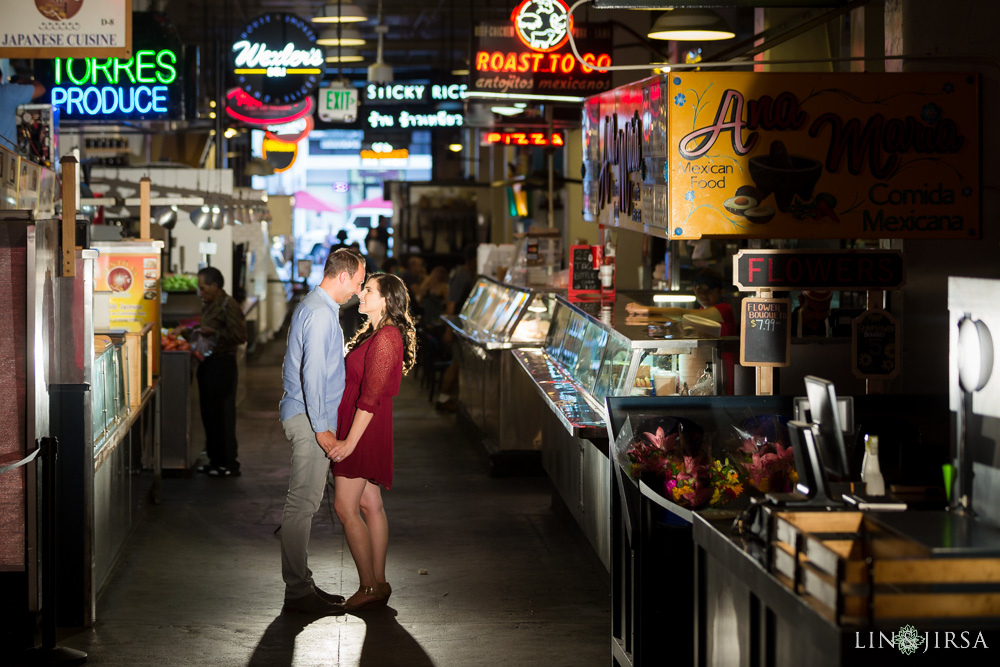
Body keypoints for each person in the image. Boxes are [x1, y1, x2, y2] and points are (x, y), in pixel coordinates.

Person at [278, 248, 366, 614]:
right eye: (358, 283)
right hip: (310, 419)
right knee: (302, 505)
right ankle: (298, 592)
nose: (359, 292)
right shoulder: (318, 313)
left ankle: (302, 584)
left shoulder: (322, 309)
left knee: (306, 504)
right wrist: (322, 428)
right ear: (342, 276)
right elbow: (312, 375)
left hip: (310, 416)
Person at [327, 272, 417, 612]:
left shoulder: (386, 337)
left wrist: (349, 443)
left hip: (362, 428)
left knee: (344, 507)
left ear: (386, 299)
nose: (360, 294)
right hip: (365, 426)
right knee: (370, 504)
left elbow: (371, 397)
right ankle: (378, 582)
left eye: (368, 290)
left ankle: (368, 584)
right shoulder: (379, 333)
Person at [626, 269, 736, 394]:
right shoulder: (702, 310)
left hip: (725, 365)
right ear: (694, 290)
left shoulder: (724, 309)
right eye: (700, 289)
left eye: (710, 290)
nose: (704, 294)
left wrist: (646, 309)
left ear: (720, 292)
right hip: (708, 365)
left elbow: (682, 314)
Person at [192, 267, 247, 476]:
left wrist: (214, 332)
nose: (201, 292)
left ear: (215, 286)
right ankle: (215, 461)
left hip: (223, 365)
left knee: (223, 414)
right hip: (208, 363)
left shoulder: (228, 305)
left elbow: (240, 336)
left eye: (204, 288)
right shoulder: (209, 304)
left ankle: (228, 463)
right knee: (210, 414)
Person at [0, 59, 45, 151]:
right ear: (1, 78)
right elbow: (41, 89)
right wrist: (25, 80)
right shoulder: (6, 91)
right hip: (5, 158)